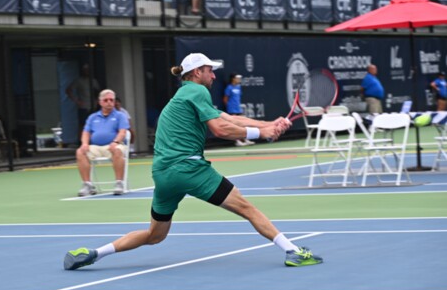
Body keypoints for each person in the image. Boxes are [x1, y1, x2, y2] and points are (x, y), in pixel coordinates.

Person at [64, 53, 323, 270]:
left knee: (155, 235)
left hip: (164, 175)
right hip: (189, 168)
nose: (213, 76)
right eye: (210, 71)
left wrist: (269, 124)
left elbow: (229, 118)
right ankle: (293, 251)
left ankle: (93, 254)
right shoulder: (198, 91)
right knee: (247, 208)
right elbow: (221, 129)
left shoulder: (184, 95)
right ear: (197, 72)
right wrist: (261, 133)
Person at [76, 89, 130, 197]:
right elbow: (86, 132)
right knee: (80, 152)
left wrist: (115, 141)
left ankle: (119, 183)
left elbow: (122, 132)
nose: (109, 102)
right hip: (95, 147)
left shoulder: (120, 116)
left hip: (113, 146)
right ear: (100, 102)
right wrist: (84, 144)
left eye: (111, 100)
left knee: (118, 150)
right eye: (106, 100)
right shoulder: (92, 117)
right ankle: (87, 184)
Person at [66, 64, 101, 136]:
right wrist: (76, 101)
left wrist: (97, 101)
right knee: (82, 124)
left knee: (94, 124)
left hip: (93, 106)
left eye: (88, 70)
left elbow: (99, 91)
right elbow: (68, 90)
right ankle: (81, 141)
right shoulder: (79, 81)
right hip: (83, 106)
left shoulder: (93, 81)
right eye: (85, 70)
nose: (87, 72)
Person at [223, 73, 253, 147]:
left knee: (243, 124)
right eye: (237, 78)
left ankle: (245, 139)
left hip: (238, 109)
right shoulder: (229, 88)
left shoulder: (239, 87)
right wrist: (230, 107)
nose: (239, 79)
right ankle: (237, 141)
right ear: (233, 79)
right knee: (235, 126)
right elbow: (225, 99)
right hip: (231, 110)